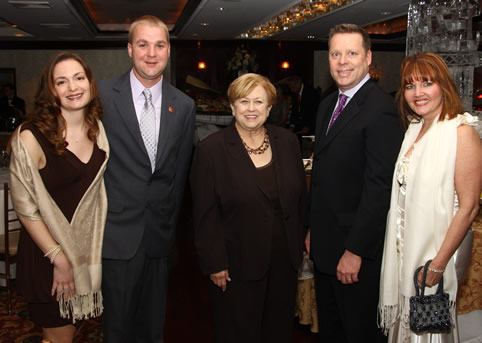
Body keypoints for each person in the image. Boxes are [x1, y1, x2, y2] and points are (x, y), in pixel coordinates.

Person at [98, 15, 196, 342]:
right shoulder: (101, 97)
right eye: (143, 44)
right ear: (129, 49)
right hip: (116, 236)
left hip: (159, 238)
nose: (151, 53)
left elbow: (179, 176)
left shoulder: (183, 106)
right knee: (117, 329)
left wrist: (170, 228)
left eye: (159, 45)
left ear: (168, 50)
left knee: (153, 329)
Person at [305, 23, 404, 343]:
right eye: (336, 53)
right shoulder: (327, 105)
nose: (342, 61)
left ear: (368, 58)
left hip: (355, 254)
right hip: (325, 246)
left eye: (351, 53)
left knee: (358, 333)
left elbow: (379, 188)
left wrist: (356, 251)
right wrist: (312, 230)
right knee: (332, 331)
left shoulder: (380, 109)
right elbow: (323, 177)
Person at [191, 73, 307, 343]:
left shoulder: (288, 142)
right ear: (232, 107)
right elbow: (204, 215)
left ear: (269, 108)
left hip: (284, 260)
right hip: (236, 265)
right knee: (238, 332)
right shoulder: (211, 150)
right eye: (244, 101)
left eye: (258, 102)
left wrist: (301, 240)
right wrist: (215, 263)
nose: (251, 108)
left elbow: (300, 198)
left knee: (277, 330)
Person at [378, 52, 481, 342]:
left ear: (443, 86)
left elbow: (469, 206)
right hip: (404, 252)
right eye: (410, 86)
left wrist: (438, 263)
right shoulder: (413, 130)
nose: (418, 92)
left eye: (426, 83)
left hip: (434, 254)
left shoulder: (461, 132)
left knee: (427, 331)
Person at [9, 51, 109, 343]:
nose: (73, 87)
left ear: (90, 82)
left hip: (81, 255)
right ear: (51, 90)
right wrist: (59, 258)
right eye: (61, 82)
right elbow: (25, 207)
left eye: (79, 78)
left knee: (68, 333)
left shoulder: (98, 130)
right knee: (58, 336)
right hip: (48, 258)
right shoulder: (31, 135)